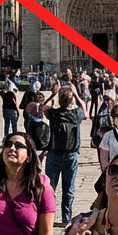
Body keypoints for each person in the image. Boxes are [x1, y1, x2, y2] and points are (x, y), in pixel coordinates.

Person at [43, 87, 85, 223]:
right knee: (68, 189)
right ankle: (66, 219)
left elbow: (44, 107)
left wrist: (53, 95)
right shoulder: (76, 114)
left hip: (54, 154)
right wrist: (76, 94)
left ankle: (48, 216)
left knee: (49, 188)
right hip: (71, 155)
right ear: (71, 100)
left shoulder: (54, 114)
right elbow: (84, 108)